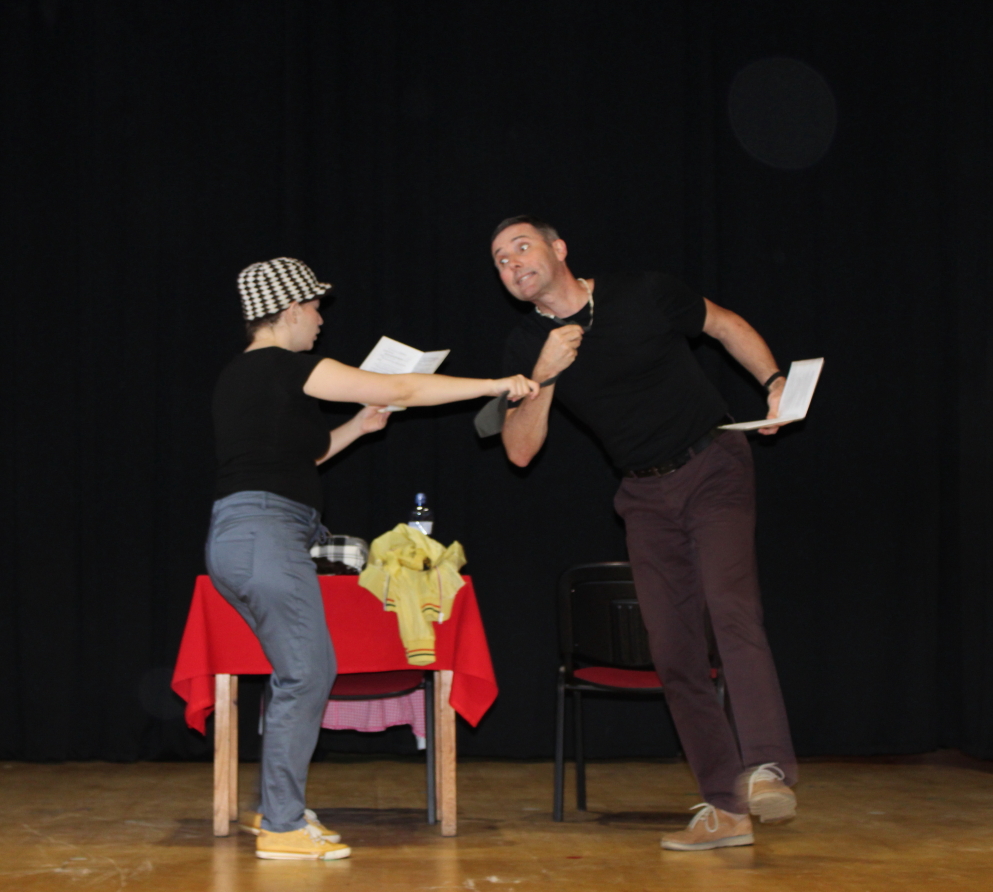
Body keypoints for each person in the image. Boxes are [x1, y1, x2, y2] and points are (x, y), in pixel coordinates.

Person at [206, 256, 538, 861]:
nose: (320, 320)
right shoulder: (281, 365)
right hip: (263, 534)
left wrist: (360, 427)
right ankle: (281, 827)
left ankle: (277, 809)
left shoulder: (248, 376)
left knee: (298, 673)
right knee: (307, 674)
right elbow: (403, 387)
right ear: (289, 310)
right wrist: (495, 384)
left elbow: (293, 461)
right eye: (314, 308)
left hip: (252, 534)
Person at [490, 217, 797, 852]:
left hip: (713, 462)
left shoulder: (641, 291)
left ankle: (767, 769)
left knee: (730, 607)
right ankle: (726, 808)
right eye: (500, 260)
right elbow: (519, 451)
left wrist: (773, 384)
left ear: (558, 249)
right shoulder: (526, 346)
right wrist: (546, 372)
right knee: (673, 648)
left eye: (522, 247)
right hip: (644, 495)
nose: (513, 263)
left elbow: (724, 325)